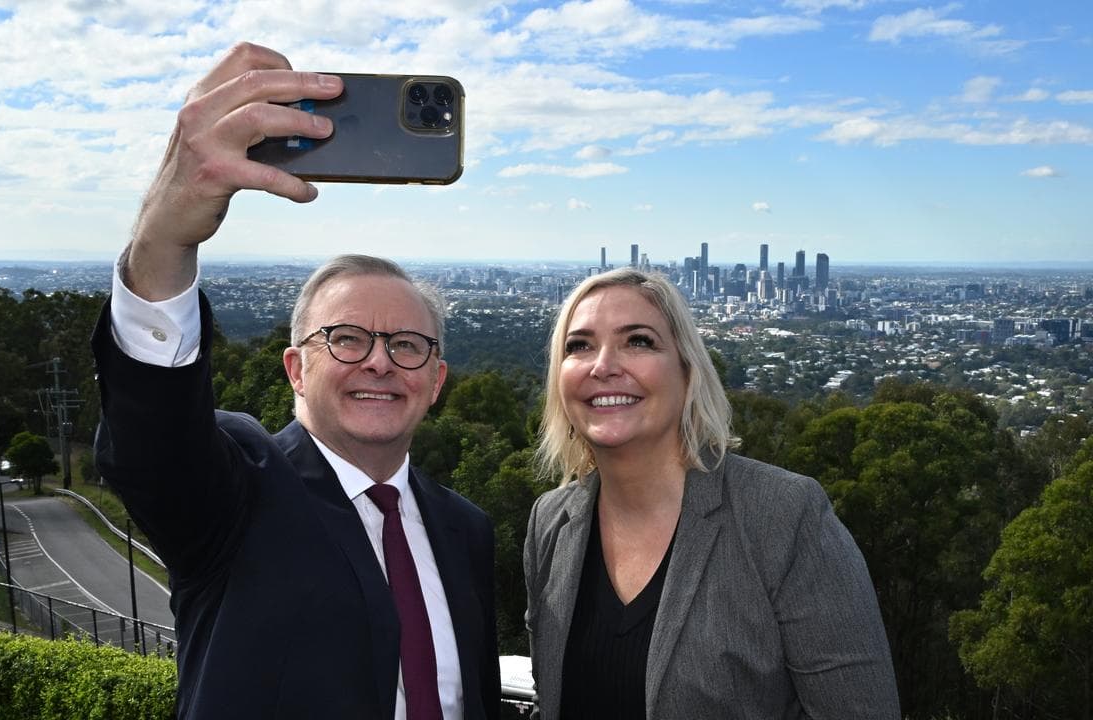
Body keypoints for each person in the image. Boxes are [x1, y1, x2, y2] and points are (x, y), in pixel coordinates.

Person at [91, 42, 499, 719]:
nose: (378, 362)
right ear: (295, 368)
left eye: (405, 345)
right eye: (346, 338)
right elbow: (154, 439)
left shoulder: (466, 529)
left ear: (435, 381)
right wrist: (164, 239)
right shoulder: (237, 491)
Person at [523, 268, 899, 719]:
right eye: (579, 345)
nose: (603, 366)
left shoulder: (783, 516)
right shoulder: (550, 521)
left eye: (639, 341)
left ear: (688, 372)